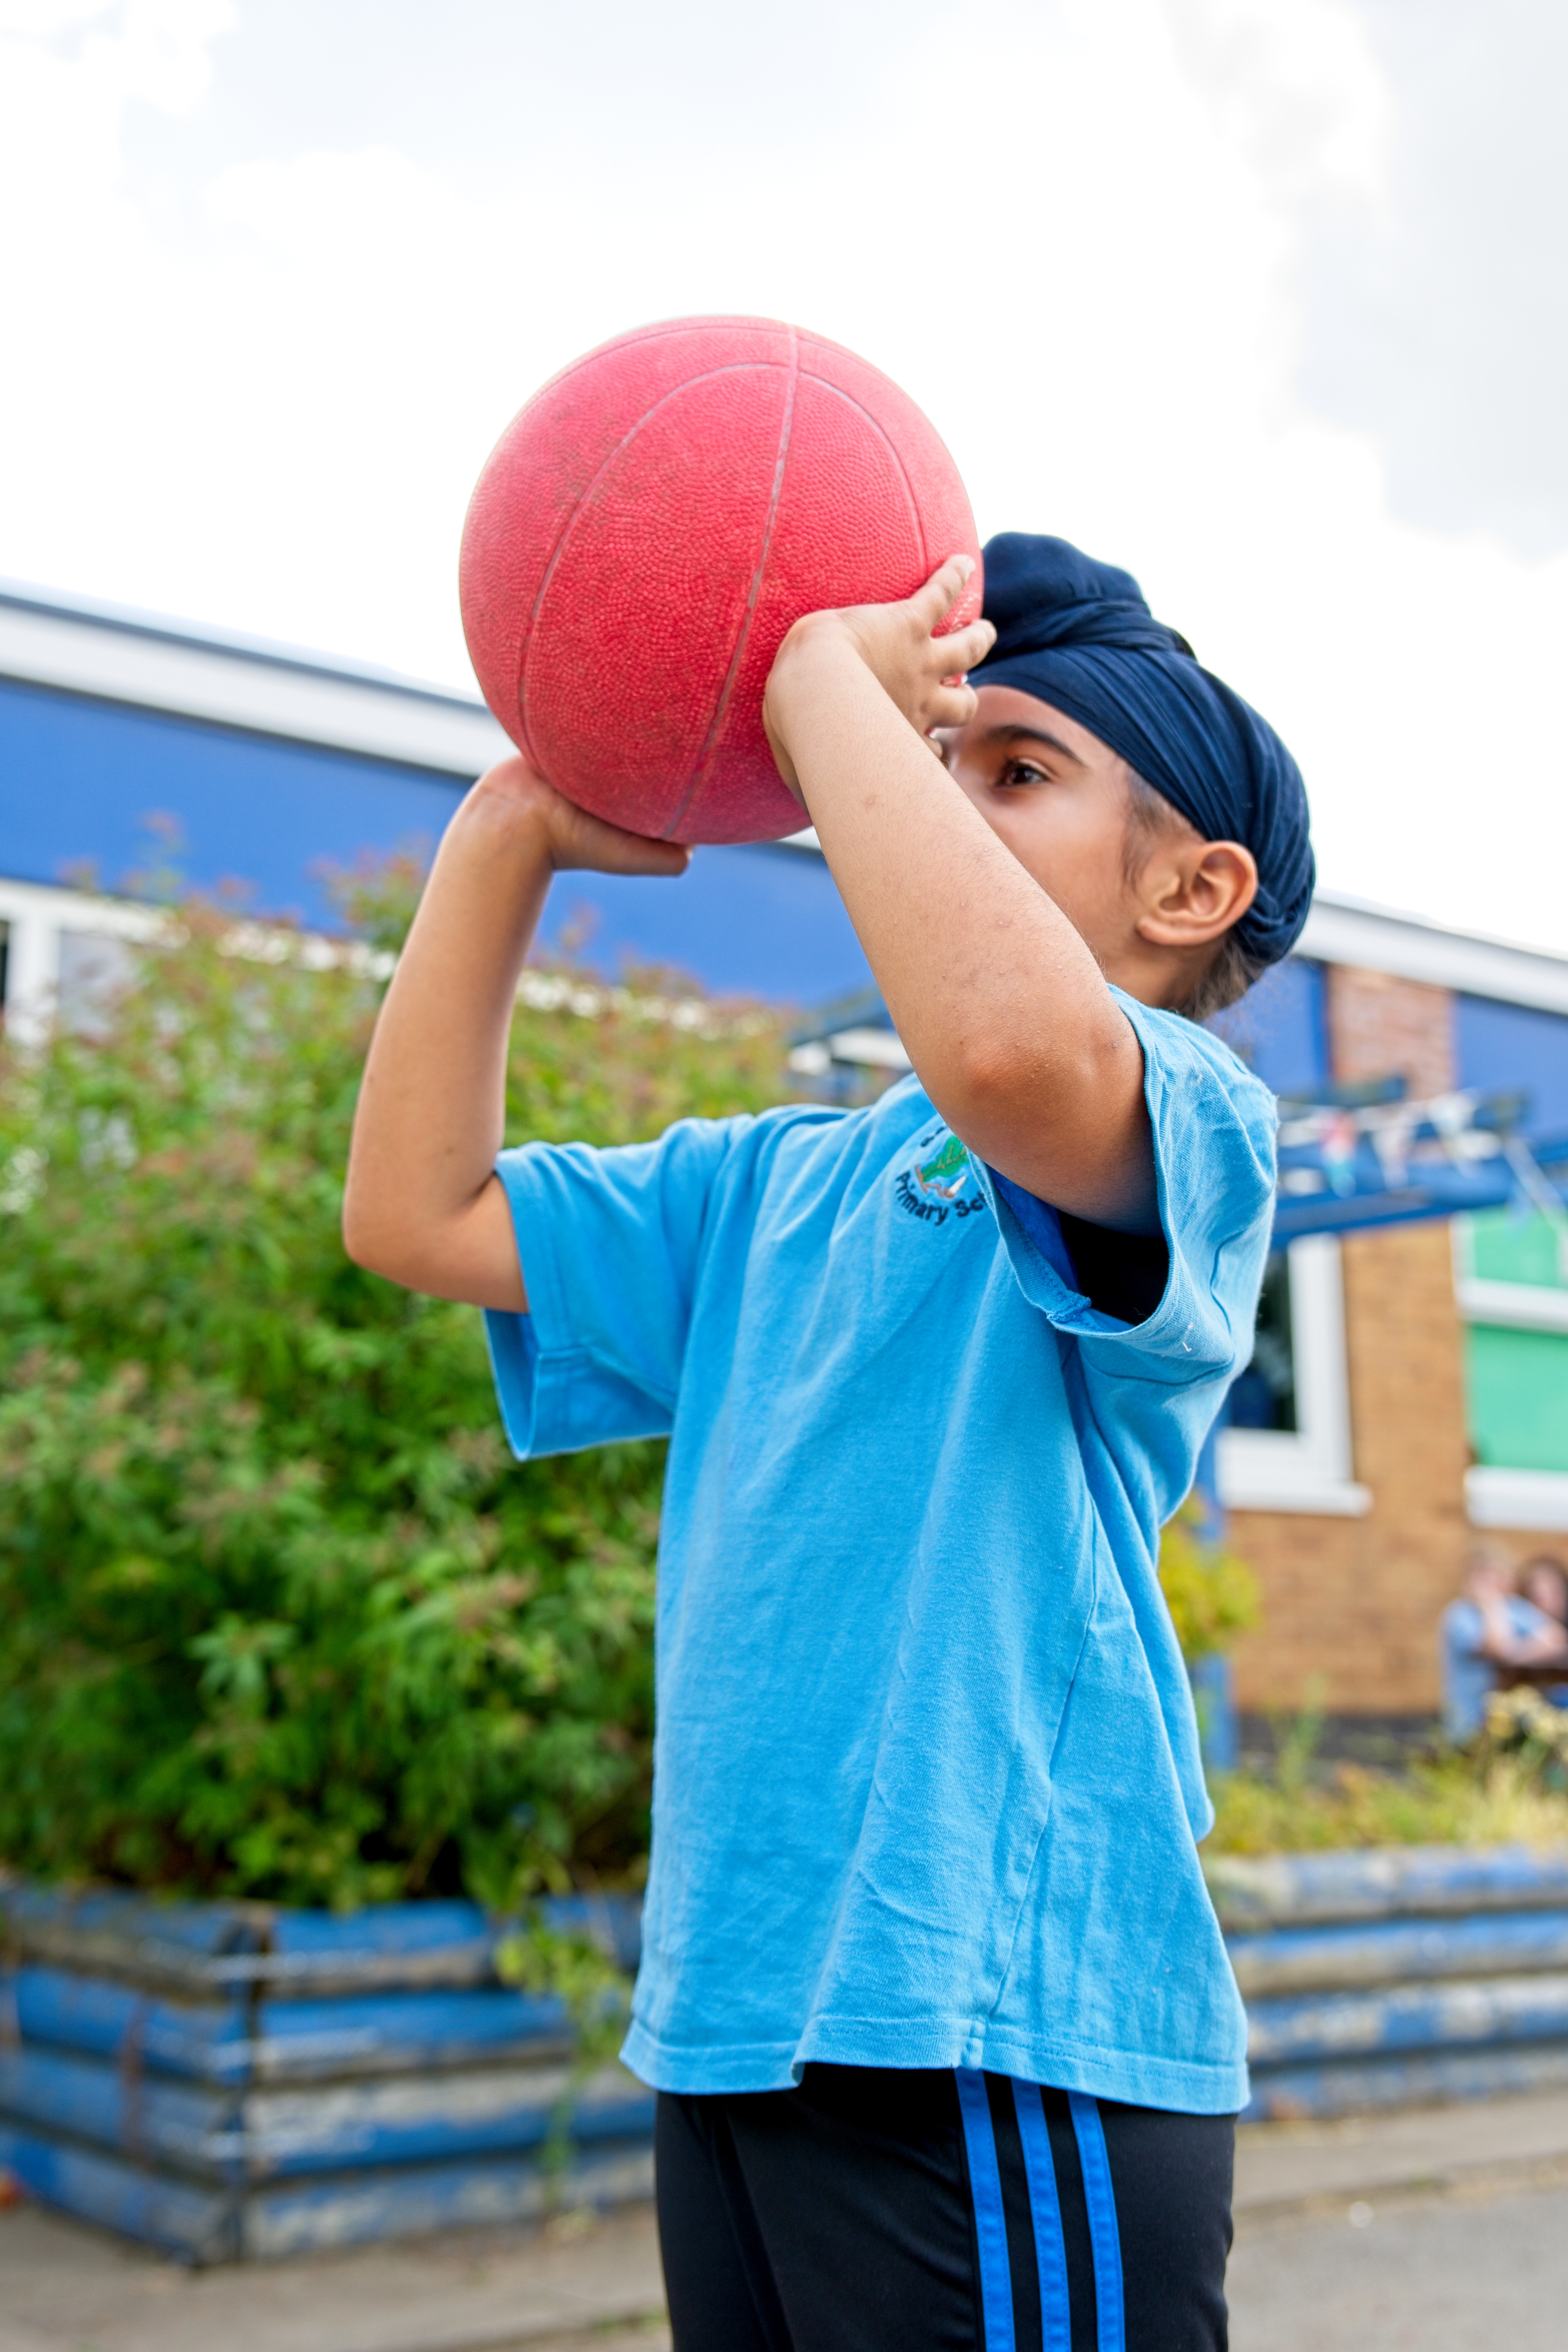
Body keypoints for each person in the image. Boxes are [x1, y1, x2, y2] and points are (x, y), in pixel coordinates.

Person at [343, 532, 1313, 2352]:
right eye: (939, 760)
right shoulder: (770, 1178)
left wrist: (805, 672)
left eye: (1011, 771)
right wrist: (503, 833)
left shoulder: (1186, 1115)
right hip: (734, 2012)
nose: (931, 796)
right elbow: (418, 1210)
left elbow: (1013, 1054)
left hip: (991, 2022)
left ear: (1194, 887)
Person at [1440, 1545, 1568, 1740]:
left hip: (1510, 1726)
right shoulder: (1461, 1616)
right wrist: (1491, 1606)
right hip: (1469, 1726)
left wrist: (1516, 1655)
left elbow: (1556, 1638)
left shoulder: (1515, 1609)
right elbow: (1497, 1649)